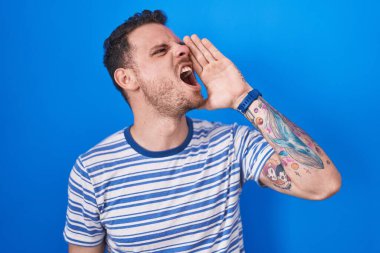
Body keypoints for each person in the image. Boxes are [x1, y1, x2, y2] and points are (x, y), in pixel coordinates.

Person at [63, 10, 341, 253]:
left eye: (180, 45)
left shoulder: (231, 144)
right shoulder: (92, 170)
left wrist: (243, 98)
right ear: (127, 78)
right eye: (161, 51)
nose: (183, 51)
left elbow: (323, 184)